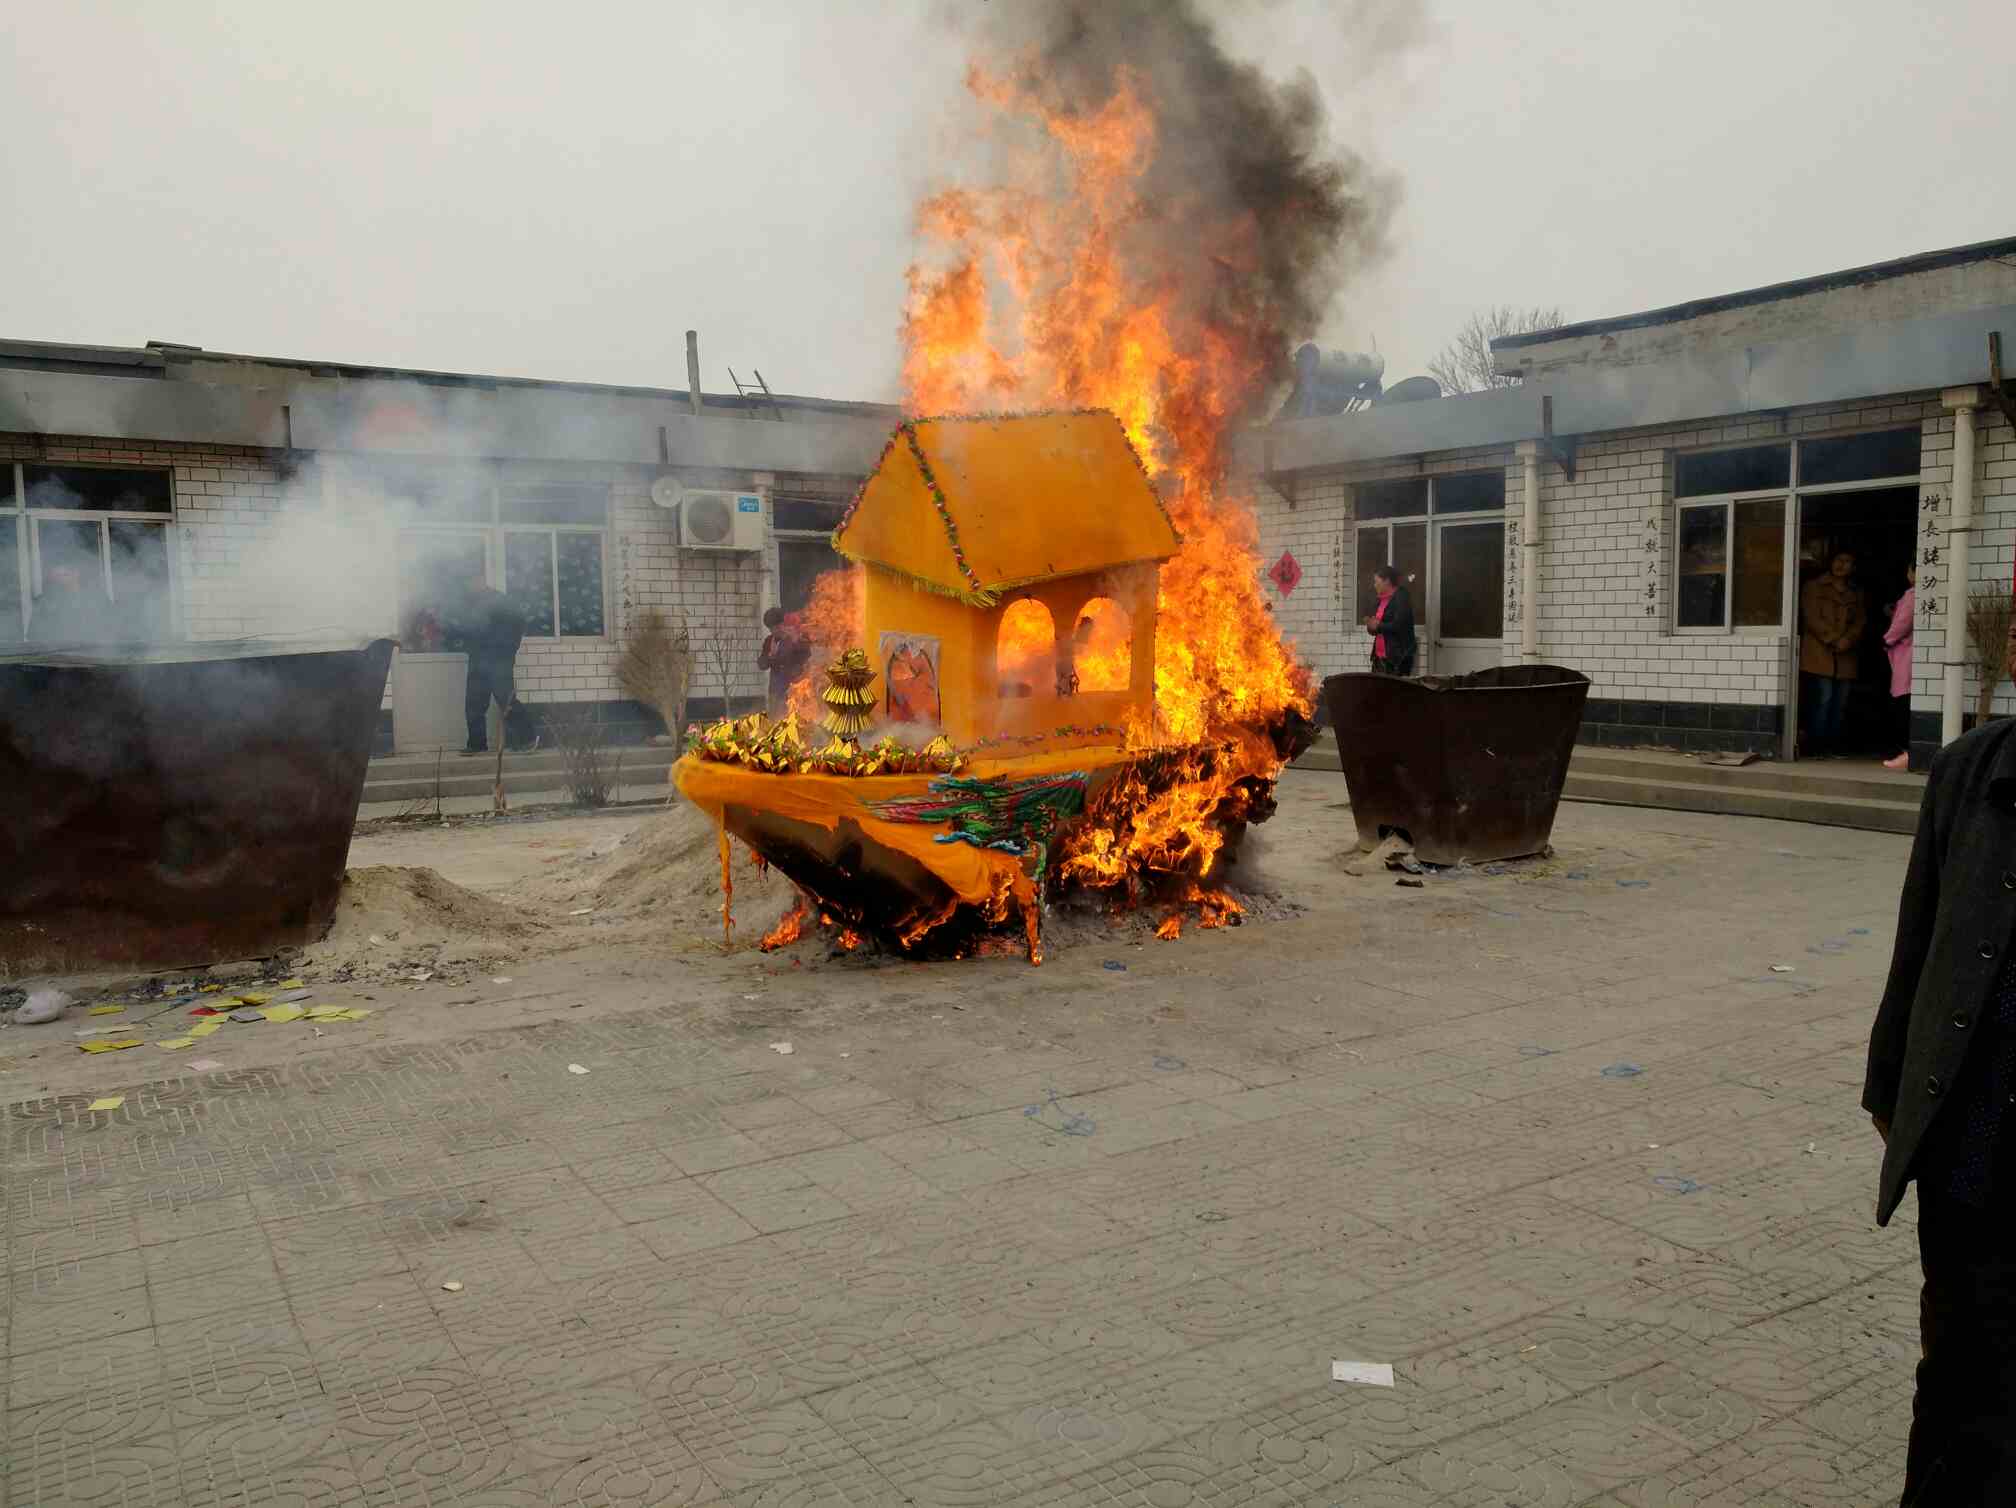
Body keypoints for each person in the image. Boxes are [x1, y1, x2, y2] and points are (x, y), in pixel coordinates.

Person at [1866, 608, 2016, 1500]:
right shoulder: (1969, 771)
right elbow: (1918, 945)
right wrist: (1891, 1091)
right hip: (1969, 1151)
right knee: (1958, 1369)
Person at [443, 573, 530, 755]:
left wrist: (507, 650)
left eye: (472, 581)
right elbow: (467, 630)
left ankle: (527, 739)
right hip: (478, 660)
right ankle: (477, 744)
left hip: (499, 660)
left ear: (482, 580)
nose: (470, 585)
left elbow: (520, 623)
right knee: (474, 703)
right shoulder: (469, 604)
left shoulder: (501, 601)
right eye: (468, 582)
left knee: (506, 700)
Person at [1800, 550, 1866, 755]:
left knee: (1841, 703)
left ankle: (1833, 744)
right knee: (1823, 699)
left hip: (1845, 654)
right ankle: (1816, 746)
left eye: (1847, 561)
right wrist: (1833, 638)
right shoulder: (1814, 586)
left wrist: (1848, 639)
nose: (1841, 565)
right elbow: (1811, 617)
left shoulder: (1856, 591)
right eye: (1838, 560)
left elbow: (1860, 620)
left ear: (1853, 567)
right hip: (1819, 652)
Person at [26, 554, 115, 645]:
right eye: (54, 576)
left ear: (75, 573)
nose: (57, 580)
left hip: (94, 651)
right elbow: (34, 636)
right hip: (56, 653)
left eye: (62, 575)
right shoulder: (44, 601)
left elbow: (113, 627)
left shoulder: (96, 597)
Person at [1882, 563, 1916, 772]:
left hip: (1906, 654)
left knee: (1902, 703)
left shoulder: (1912, 595)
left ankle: (1905, 753)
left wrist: (1887, 640)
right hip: (1910, 654)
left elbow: (1902, 623)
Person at [1362, 565, 1416, 676]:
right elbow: (1377, 628)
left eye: (1377, 582)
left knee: (1394, 687)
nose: (1374, 585)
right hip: (1379, 657)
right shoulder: (1380, 599)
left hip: (1398, 658)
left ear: (1387, 581)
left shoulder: (1402, 596)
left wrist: (1378, 625)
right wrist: (1371, 626)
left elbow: (1399, 625)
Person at [757, 607, 810, 717]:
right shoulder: (769, 641)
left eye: (777, 627)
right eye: (771, 628)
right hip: (776, 691)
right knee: (776, 720)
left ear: (783, 624)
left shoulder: (797, 637)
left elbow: (806, 656)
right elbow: (762, 665)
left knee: (795, 720)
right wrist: (770, 656)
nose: (774, 631)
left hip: (794, 688)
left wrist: (796, 641)